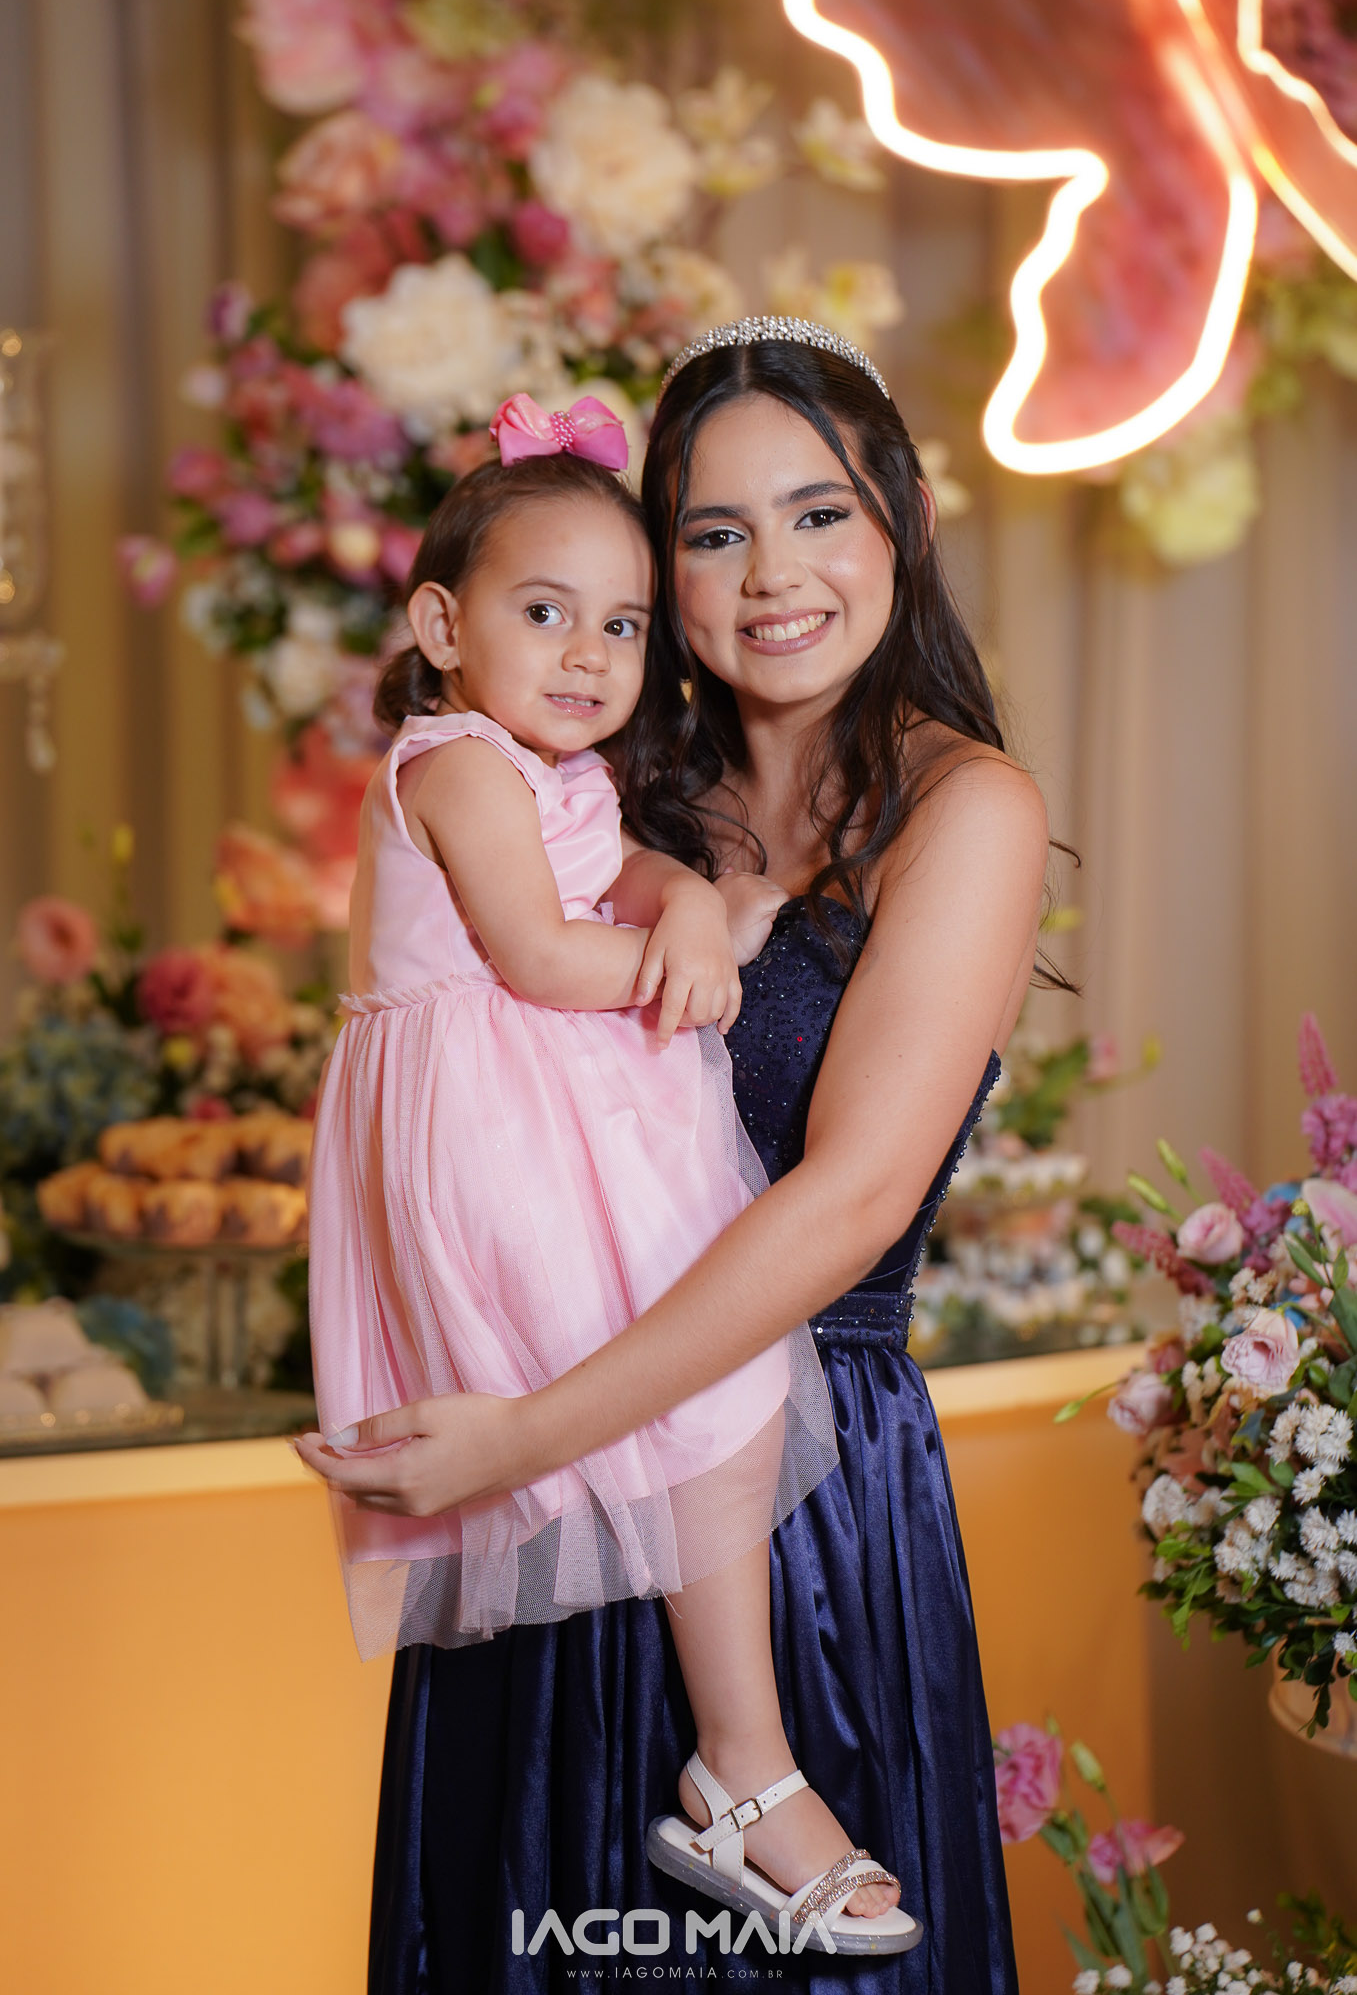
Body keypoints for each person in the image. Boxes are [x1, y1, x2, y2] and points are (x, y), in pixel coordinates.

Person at [297, 317, 1044, 1991]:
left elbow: (852, 1198)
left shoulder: (961, 813)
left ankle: (750, 1772)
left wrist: (525, 1433)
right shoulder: (593, 784)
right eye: (713, 533)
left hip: (793, 1498)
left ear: (904, 523)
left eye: (818, 513)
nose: (771, 574)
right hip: (554, 1491)